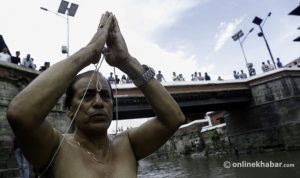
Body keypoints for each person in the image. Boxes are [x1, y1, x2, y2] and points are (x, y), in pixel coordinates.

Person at [6, 12, 185, 178]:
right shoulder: (55, 148)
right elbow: (20, 114)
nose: (99, 102)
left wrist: (127, 61)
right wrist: (90, 51)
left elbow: (173, 118)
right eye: (87, 96)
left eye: (106, 96)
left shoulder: (128, 144)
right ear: (69, 109)